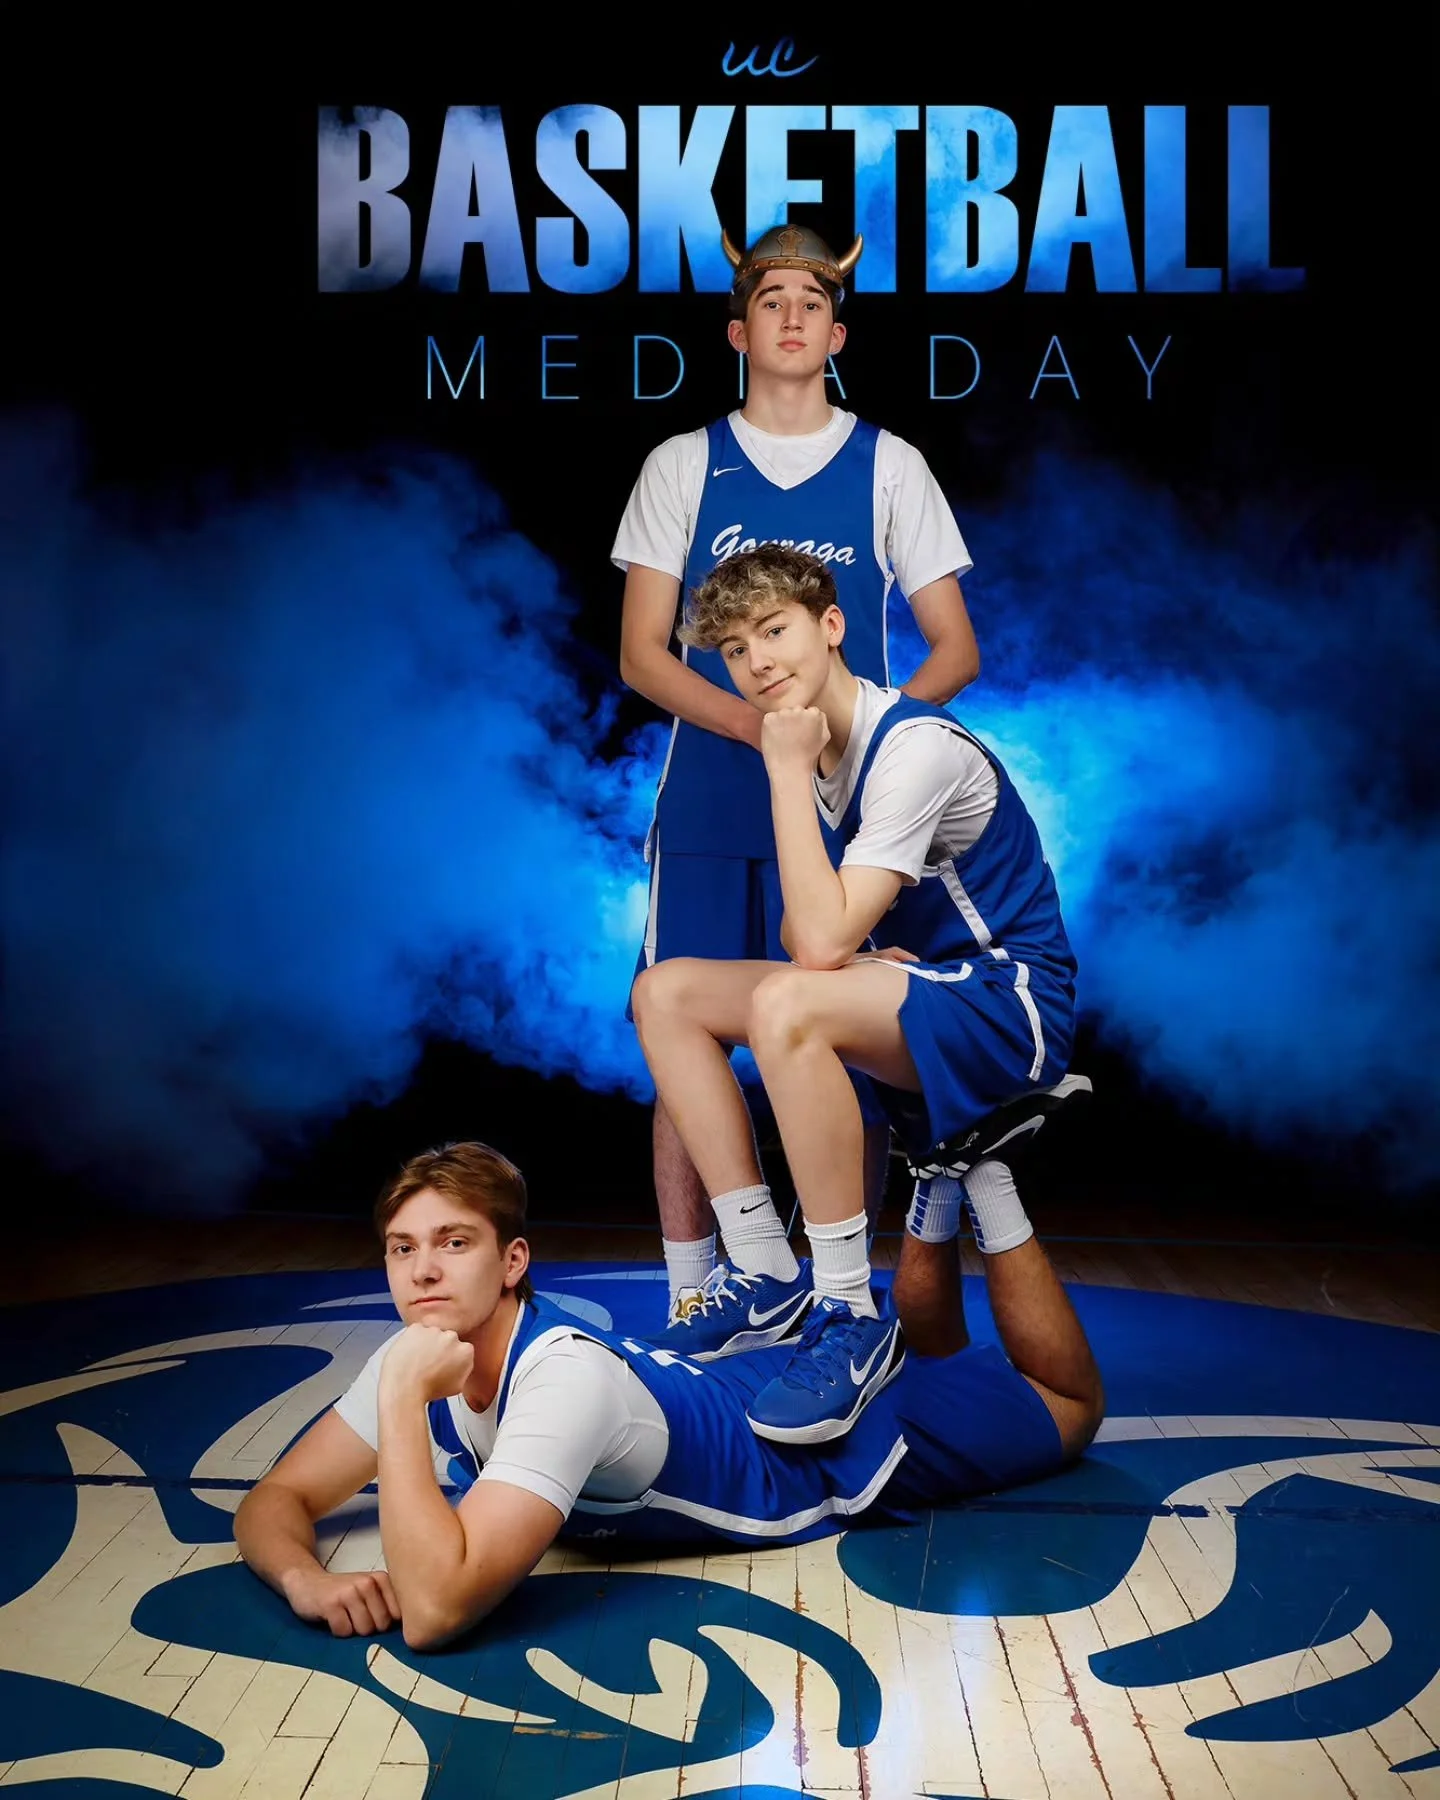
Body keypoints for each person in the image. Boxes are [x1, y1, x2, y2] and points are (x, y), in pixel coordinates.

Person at [233, 1135, 1102, 1650]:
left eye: (453, 1242)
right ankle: (933, 1184)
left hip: (822, 1446)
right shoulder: (420, 1351)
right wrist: (306, 1580)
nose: (421, 1269)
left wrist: (396, 1406)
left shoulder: (560, 1379)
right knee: (941, 1345)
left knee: (1067, 1405)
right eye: (401, 1247)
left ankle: (984, 1178)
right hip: (735, 1387)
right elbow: (277, 1497)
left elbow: (432, 1612)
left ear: (512, 1262)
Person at [614, 222, 981, 1351]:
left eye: (809, 303)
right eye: (768, 300)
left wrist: (847, 750)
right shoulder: (683, 461)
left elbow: (955, 650)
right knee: (680, 1020)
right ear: (739, 329)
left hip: (841, 809)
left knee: (834, 1035)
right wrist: (769, 731)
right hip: (716, 799)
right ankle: (700, 1290)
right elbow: (642, 654)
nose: (788, 317)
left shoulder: (892, 462)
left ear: (836, 330)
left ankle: (836, 1300)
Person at [629, 545, 1079, 1444]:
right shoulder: (823, 753)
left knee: (787, 1005)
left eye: (775, 630)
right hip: (918, 986)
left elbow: (822, 941)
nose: (756, 661)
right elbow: (810, 934)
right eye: (734, 649)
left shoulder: (910, 747)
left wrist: (784, 774)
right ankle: (763, 1270)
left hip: (1009, 1003)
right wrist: (847, 941)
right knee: (667, 993)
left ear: (831, 628)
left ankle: (847, 1312)